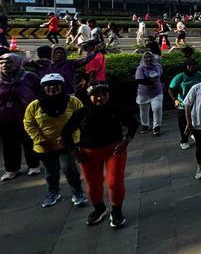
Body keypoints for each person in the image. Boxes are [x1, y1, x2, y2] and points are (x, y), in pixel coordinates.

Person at [62, 83, 137, 227]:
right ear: (89, 97)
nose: (100, 98)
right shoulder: (82, 113)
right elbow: (65, 133)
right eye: (96, 95)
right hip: (88, 153)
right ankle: (99, 208)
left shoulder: (116, 109)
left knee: (114, 182)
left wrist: (126, 141)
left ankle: (116, 211)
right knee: (93, 184)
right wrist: (74, 152)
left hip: (114, 150)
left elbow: (133, 124)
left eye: (104, 94)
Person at [23, 73, 87, 207]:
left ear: (62, 86)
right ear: (43, 88)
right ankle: (53, 192)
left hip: (67, 144)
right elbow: (29, 123)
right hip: (45, 146)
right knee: (51, 172)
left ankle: (78, 192)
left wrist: (68, 137)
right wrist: (40, 140)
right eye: (48, 86)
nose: (52, 88)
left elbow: (82, 119)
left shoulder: (73, 101)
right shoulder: (34, 105)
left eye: (56, 85)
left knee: (69, 168)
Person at [0, 54, 41, 181]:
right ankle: (12, 169)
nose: (4, 65)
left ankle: (34, 165)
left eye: (9, 62)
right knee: (9, 144)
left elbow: (40, 93)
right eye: (1, 63)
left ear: (17, 63)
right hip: (5, 117)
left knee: (29, 141)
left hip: (27, 116)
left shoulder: (29, 76)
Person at [169, 59, 201, 149]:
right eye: (189, 65)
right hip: (183, 105)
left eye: (193, 65)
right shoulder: (180, 77)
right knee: (183, 123)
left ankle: (194, 135)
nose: (191, 67)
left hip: (196, 104)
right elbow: (171, 89)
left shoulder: (199, 75)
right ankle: (184, 140)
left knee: (197, 122)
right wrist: (175, 100)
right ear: (186, 66)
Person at [135, 52, 163, 136]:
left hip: (157, 91)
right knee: (143, 110)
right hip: (143, 93)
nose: (148, 59)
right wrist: (151, 83)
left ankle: (156, 127)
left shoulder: (158, 66)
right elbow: (139, 80)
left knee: (157, 108)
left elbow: (161, 74)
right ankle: (145, 125)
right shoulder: (141, 68)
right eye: (146, 57)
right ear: (143, 59)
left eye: (150, 57)